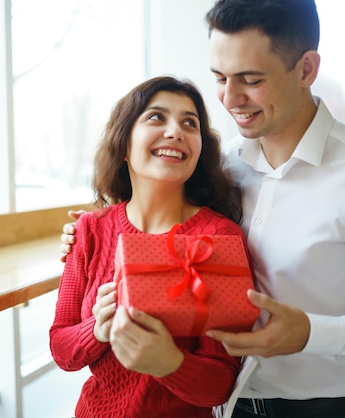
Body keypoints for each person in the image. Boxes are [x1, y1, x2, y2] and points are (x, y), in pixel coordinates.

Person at [60, 1, 345, 417]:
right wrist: (88, 233)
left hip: (325, 409)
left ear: (306, 70)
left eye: (250, 79)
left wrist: (312, 333)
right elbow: (158, 224)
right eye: (220, 77)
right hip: (223, 407)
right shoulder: (221, 168)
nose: (230, 99)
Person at [49, 75, 256, 418]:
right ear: (124, 144)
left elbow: (220, 383)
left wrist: (171, 363)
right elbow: (61, 348)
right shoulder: (89, 230)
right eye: (156, 117)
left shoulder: (219, 237)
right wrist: (96, 330)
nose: (176, 131)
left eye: (190, 123)